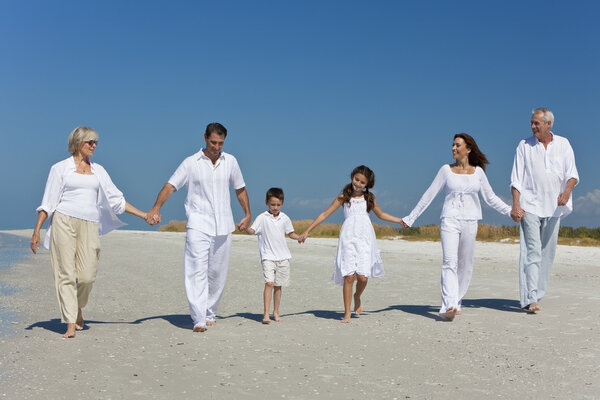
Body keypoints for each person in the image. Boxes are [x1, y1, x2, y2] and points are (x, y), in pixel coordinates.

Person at [30, 126, 148, 338]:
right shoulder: (60, 169)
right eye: (90, 142)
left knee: (86, 276)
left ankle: (77, 307)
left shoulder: (99, 171)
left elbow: (117, 200)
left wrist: (144, 215)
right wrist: (37, 230)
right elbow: (48, 202)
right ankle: (69, 322)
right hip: (63, 222)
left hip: (90, 224)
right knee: (65, 273)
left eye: (96, 142)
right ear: (77, 143)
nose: (94, 145)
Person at [146, 122, 251, 332]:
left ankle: (211, 311)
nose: (216, 147)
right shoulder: (190, 163)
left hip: (223, 225)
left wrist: (247, 214)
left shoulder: (230, 161)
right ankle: (199, 318)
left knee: (217, 273)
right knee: (196, 270)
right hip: (198, 223)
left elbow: (240, 189)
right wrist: (156, 207)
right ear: (205, 138)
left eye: (220, 143)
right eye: (213, 142)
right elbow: (170, 186)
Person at [401, 133, 512, 321]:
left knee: (465, 264)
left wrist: (511, 211)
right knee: (449, 262)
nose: (453, 148)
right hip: (449, 220)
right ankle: (448, 305)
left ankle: (457, 299)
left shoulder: (478, 172)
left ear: (468, 149)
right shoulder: (445, 170)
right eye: (452, 145)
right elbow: (429, 196)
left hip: (470, 221)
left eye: (457, 145)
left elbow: (490, 198)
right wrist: (411, 217)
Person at [298, 165, 404, 323]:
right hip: (348, 238)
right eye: (356, 179)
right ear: (352, 177)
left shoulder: (369, 198)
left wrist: (400, 220)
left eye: (362, 182)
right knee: (348, 276)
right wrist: (307, 231)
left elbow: (380, 214)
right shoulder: (343, 197)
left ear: (367, 184)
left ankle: (357, 296)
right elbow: (325, 214)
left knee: (362, 277)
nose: (358, 183)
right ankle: (347, 313)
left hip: (365, 239)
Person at [510, 108, 579, 313]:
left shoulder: (564, 144)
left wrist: (566, 192)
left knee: (547, 254)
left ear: (548, 124)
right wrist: (516, 205)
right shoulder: (524, 146)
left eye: (536, 123)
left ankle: (537, 295)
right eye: (532, 123)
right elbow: (516, 179)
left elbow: (572, 174)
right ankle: (530, 298)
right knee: (531, 251)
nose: (532, 126)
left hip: (555, 207)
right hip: (529, 205)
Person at [245, 188, 299, 324]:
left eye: (278, 205)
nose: (275, 207)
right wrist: (245, 226)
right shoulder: (262, 217)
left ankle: (276, 312)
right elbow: (252, 230)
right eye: (272, 205)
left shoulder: (285, 218)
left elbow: (290, 233)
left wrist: (299, 237)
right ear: (267, 203)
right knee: (269, 283)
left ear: (282, 203)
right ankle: (266, 314)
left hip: (283, 257)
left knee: (278, 286)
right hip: (267, 256)